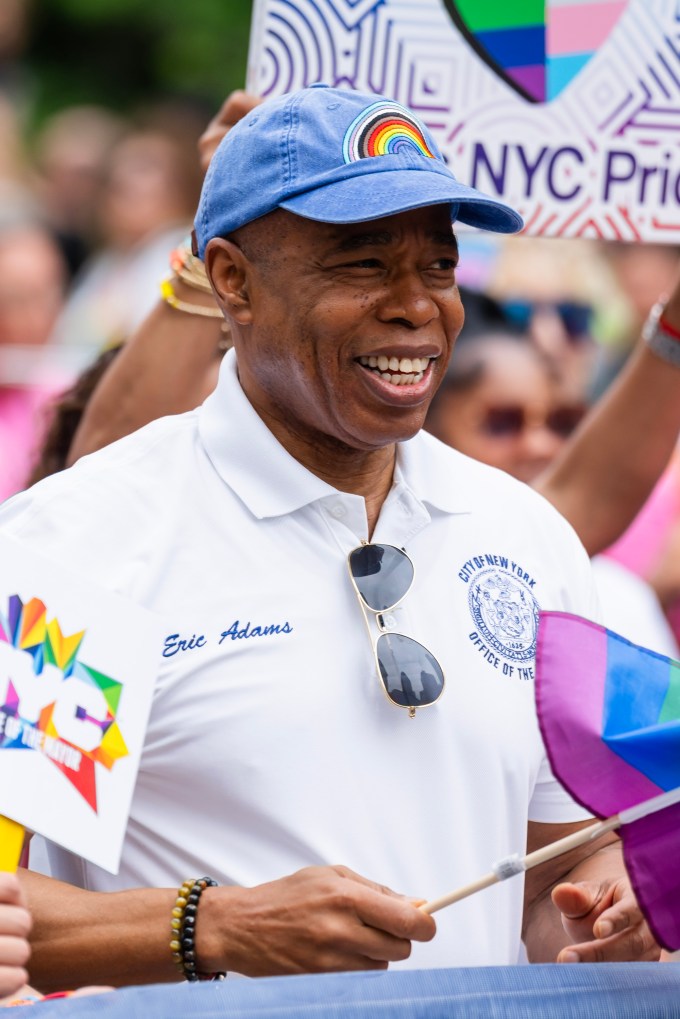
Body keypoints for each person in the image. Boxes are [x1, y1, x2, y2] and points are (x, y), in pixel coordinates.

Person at [2, 85, 662, 991]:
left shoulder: (523, 534)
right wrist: (212, 924)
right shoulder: (82, 543)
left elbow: (549, 870)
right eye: (362, 265)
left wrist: (605, 921)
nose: (416, 307)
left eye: (438, 265)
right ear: (231, 278)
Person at [425, 327, 679, 657]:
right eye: (503, 422)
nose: (540, 445)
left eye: (561, 422)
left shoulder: (620, 595)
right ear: (429, 432)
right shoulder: (408, 574)